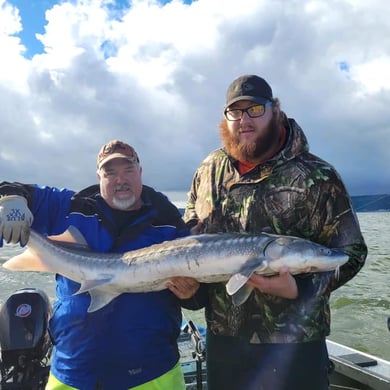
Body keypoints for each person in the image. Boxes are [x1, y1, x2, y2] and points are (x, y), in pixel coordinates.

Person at [183, 75, 368, 390]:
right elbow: (190, 237)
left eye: (254, 109)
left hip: (295, 341)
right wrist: (191, 291)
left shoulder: (317, 175)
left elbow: (351, 253)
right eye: (235, 112)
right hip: (225, 339)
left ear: (275, 110)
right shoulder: (208, 170)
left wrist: (299, 290)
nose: (244, 120)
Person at [0, 139, 199, 390]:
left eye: (128, 170)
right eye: (110, 172)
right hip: (72, 371)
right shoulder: (70, 207)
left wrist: (191, 293)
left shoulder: (168, 221)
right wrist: (11, 201)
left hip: (152, 373)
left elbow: (197, 296)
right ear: (98, 176)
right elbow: (16, 189)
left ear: (140, 172)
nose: (120, 180)